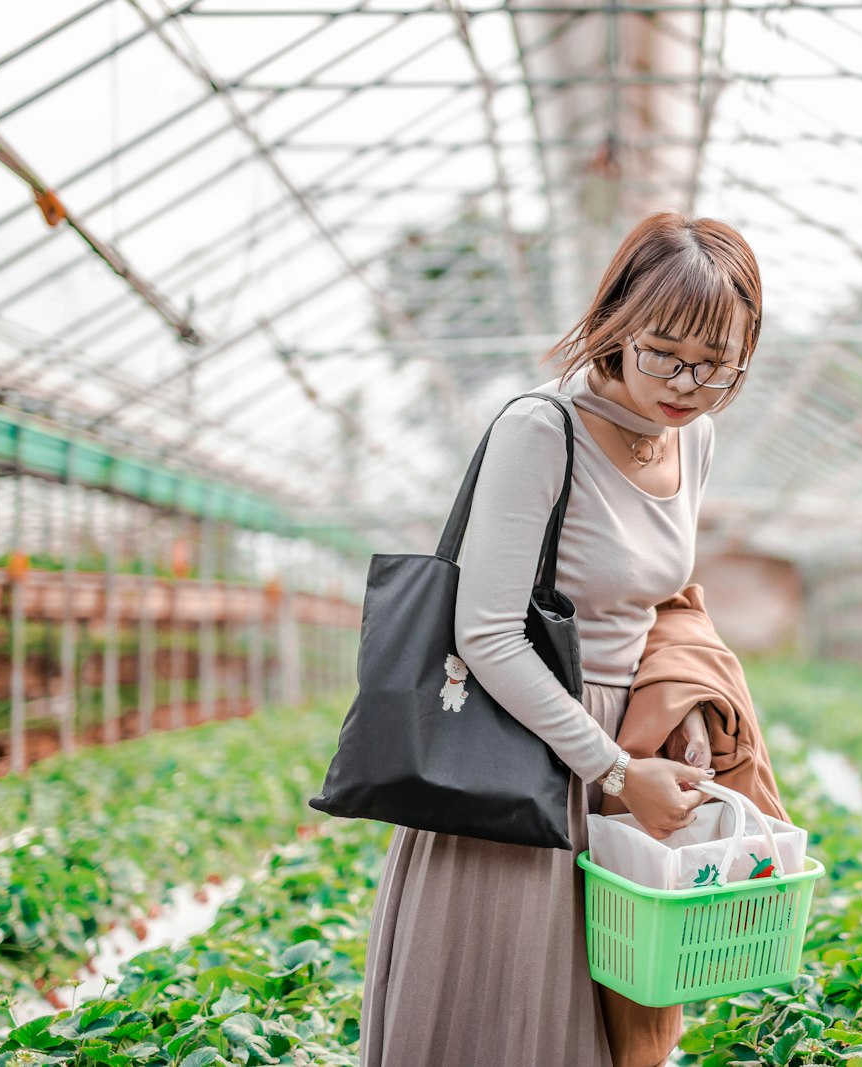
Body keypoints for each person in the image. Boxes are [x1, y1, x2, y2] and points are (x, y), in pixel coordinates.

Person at [358, 212, 763, 1067]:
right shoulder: (542, 430)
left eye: (716, 365)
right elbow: (490, 634)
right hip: (527, 750)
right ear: (616, 322)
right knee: (506, 1009)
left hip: (628, 757)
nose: (686, 382)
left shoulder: (697, 437)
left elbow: (658, 600)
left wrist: (675, 713)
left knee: (599, 1019)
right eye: (664, 350)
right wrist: (613, 769)